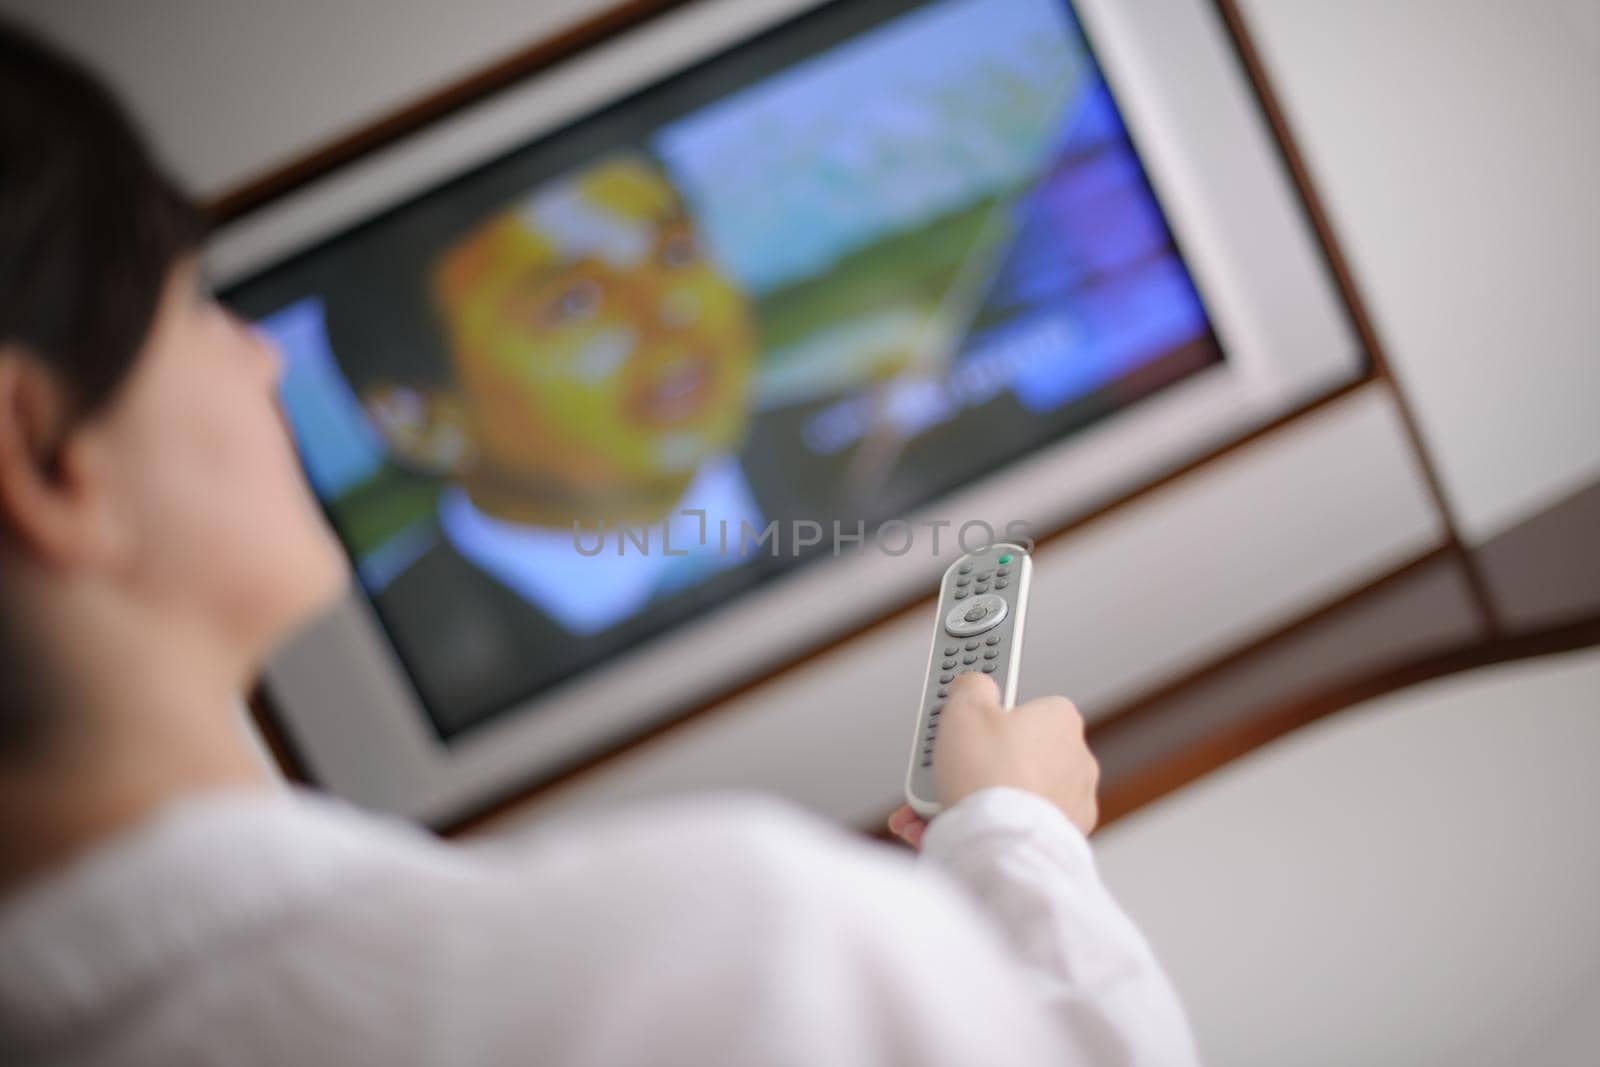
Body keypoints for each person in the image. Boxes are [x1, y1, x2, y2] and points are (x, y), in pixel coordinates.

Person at [0, 21, 1198, 1067]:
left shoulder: (960, 433)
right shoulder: (731, 953)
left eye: (674, 252)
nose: (259, 357)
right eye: (197, 308)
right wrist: (1014, 838)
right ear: (41, 451)